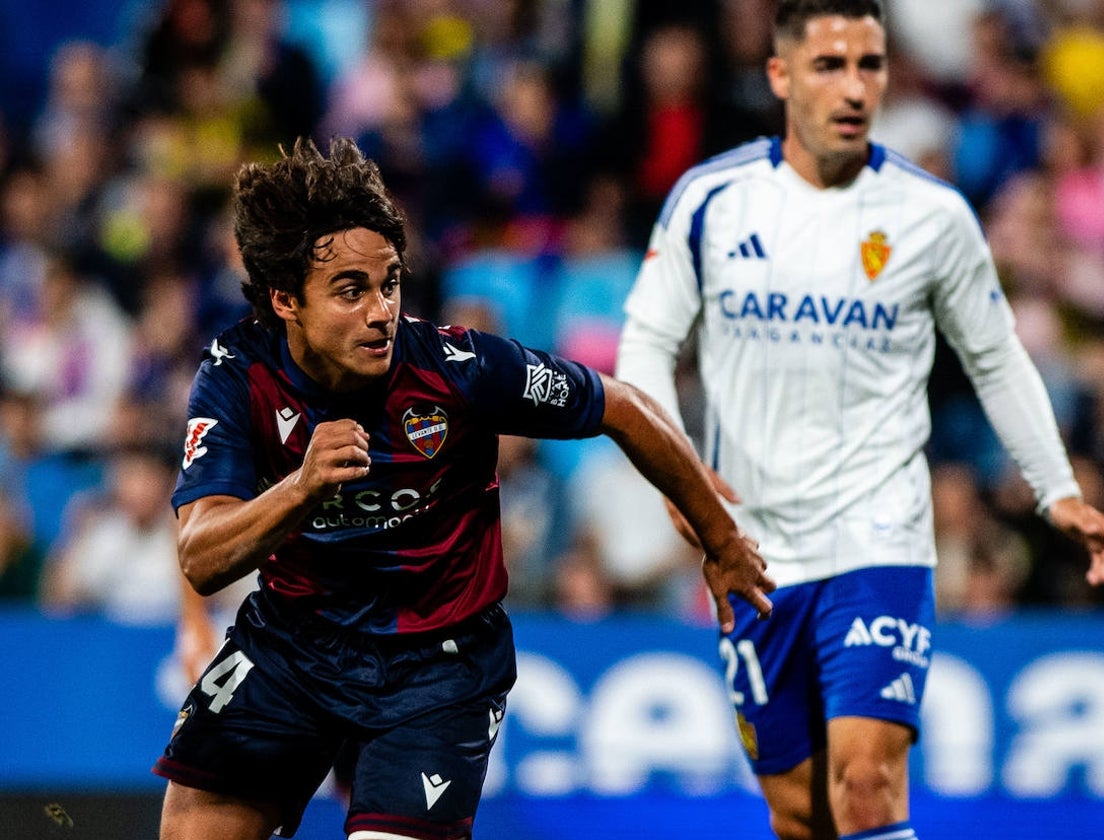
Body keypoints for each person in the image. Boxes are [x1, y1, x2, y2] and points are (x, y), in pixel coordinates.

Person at [151, 135, 774, 840]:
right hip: (293, 650)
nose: (381, 311)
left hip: (438, 670)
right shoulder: (238, 373)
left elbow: (624, 408)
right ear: (285, 299)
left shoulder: (460, 369)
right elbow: (200, 554)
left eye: (389, 283)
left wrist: (721, 542)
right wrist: (301, 488)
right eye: (350, 291)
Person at [614, 3, 1104, 839]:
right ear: (781, 75)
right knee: (798, 812)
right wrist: (677, 470)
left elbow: (995, 356)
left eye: (871, 64)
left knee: (867, 780)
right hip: (752, 548)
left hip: (878, 531)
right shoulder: (711, 201)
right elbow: (645, 347)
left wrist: (1056, 490)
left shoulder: (933, 217)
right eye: (830, 65)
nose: (855, 87)